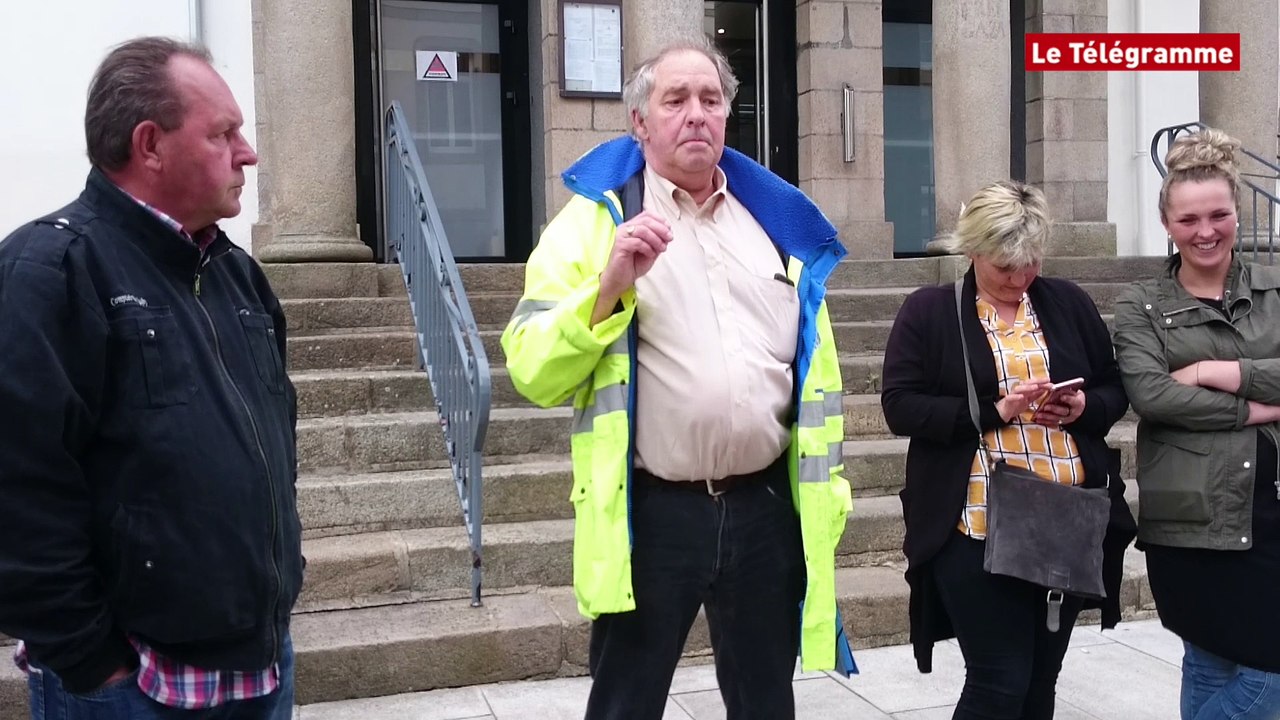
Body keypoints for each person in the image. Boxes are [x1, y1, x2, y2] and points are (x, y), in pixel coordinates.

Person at [501, 36, 855, 720]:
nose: (697, 114)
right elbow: (532, 369)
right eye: (676, 99)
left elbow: (812, 373)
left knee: (765, 704)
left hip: (764, 509)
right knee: (626, 703)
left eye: (712, 99)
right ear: (640, 122)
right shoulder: (592, 224)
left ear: (728, 115)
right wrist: (606, 290)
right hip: (656, 512)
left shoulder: (777, 225)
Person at [0, 37, 301, 719]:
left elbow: (272, 442)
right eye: (223, 133)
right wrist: (91, 662)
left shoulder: (237, 275)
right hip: (133, 685)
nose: (248, 152)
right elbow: (19, 489)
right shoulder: (50, 272)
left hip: (259, 666)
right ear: (149, 144)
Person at [881, 180, 1136, 720]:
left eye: (1030, 264)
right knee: (999, 681)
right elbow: (900, 406)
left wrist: (1082, 407)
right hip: (975, 527)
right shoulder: (929, 311)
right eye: (1004, 267)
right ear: (971, 250)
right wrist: (992, 411)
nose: (1020, 279)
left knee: (1041, 681)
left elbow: (1115, 387)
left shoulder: (1065, 302)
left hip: (1066, 522)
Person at [1113, 127, 1280, 720]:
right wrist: (1259, 406)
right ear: (1166, 224)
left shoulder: (1275, 290)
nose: (1206, 231)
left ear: (1237, 213)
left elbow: (1182, 389)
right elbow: (1153, 396)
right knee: (1219, 664)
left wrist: (1215, 369)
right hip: (1193, 516)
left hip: (1271, 510)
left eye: (1219, 215)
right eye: (1189, 220)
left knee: (1253, 672)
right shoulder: (1140, 304)